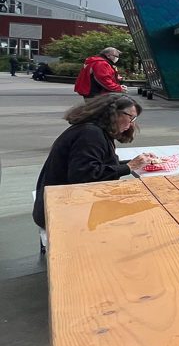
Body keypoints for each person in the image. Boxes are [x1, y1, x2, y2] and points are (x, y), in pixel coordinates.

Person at [32, 94, 159, 251]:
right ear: (114, 113)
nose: (132, 124)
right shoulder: (90, 134)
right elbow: (84, 176)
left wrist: (135, 163)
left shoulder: (90, 130)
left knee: (141, 204)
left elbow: (95, 166)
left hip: (58, 202)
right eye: (131, 118)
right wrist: (129, 167)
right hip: (62, 211)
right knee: (146, 213)